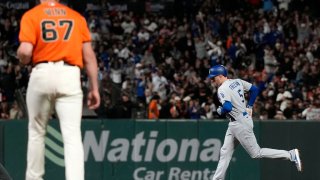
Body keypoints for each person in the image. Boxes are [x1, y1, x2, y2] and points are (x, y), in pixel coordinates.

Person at [17, 0, 100, 180]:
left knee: (36, 132)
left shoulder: (32, 15)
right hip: (70, 74)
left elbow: (25, 51)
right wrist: (95, 88)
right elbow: (89, 57)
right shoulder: (76, 17)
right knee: (72, 136)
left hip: (42, 72)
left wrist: (21, 58)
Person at [207, 65, 302, 180]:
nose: (212, 80)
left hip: (240, 124)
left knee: (256, 153)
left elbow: (227, 107)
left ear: (221, 76)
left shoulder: (222, 89)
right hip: (238, 121)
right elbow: (255, 89)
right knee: (225, 152)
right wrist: (250, 106)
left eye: (213, 77)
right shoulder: (237, 81)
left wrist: (220, 110)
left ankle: (290, 155)